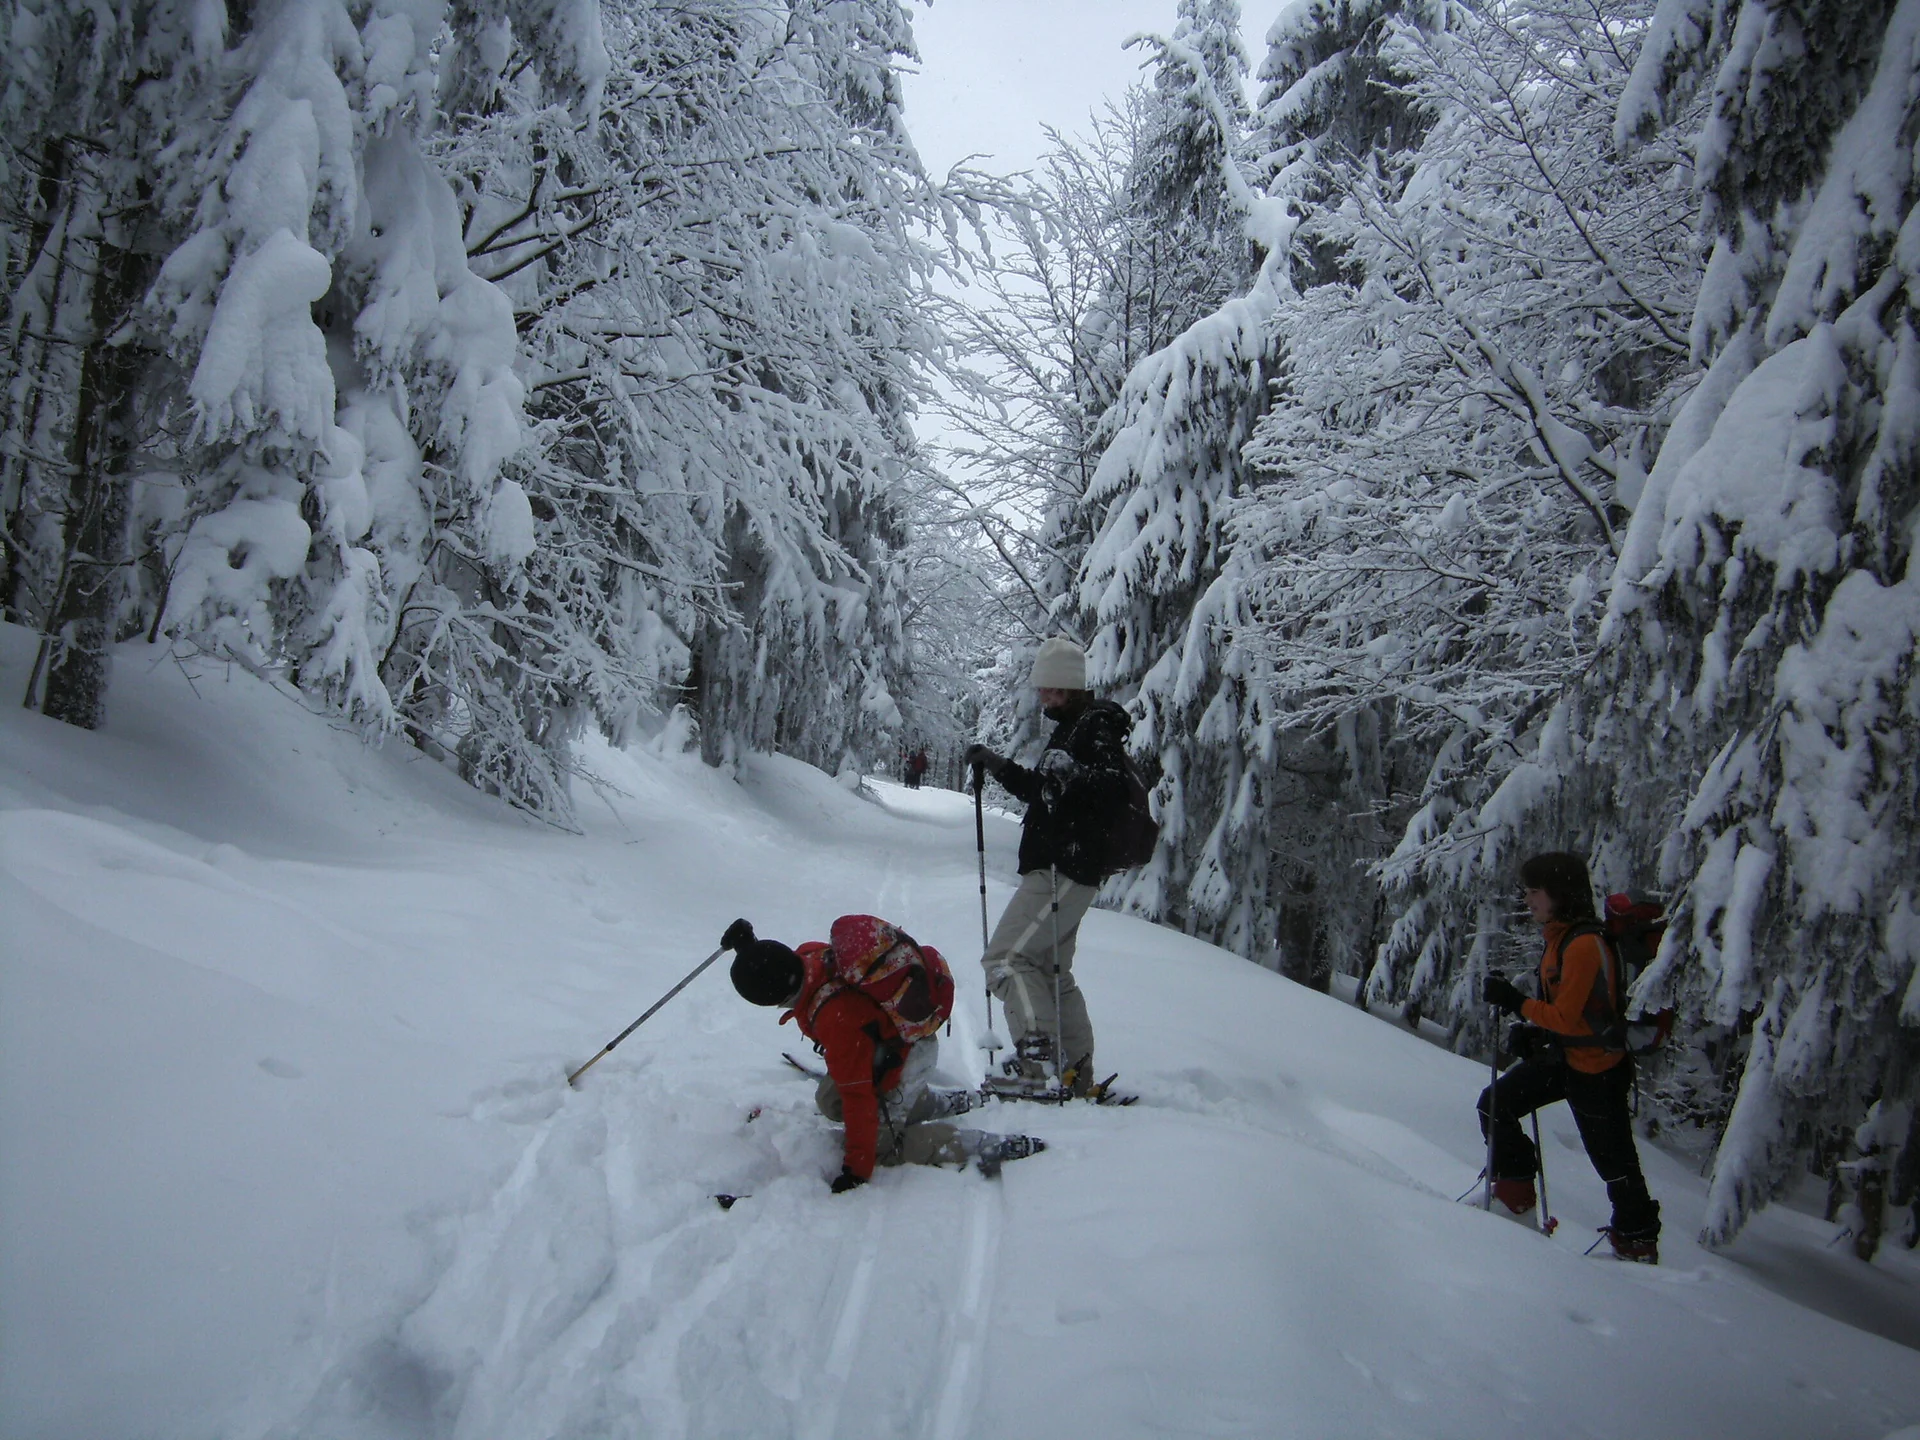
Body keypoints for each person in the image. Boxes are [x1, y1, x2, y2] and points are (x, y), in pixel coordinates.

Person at [722, 917, 1044, 1190]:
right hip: (880, 1045)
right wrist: (747, 946)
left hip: (909, 1052)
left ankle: (973, 1142)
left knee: (880, 1146)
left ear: (774, 999)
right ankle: (930, 1102)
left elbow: (858, 1096)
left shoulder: (837, 1020)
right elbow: (772, 965)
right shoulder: (808, 957)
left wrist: (857, 1170)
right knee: (829, 1101)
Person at [963, 637, 1131, 1094]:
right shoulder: (1071, 729)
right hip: (1066, 868)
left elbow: (1111, 788)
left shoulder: (1093, 727)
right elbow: (1045, 793)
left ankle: (1039, 1066)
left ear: (1074, 689)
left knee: (1005, 959)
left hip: (1064, 867)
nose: (1046, 698)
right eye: (1042, 690)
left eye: (1054, 691)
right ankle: (1076, 1074)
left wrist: (1075, 775)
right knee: (1050, 971)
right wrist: (996, 765)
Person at [1480, 852, 1663, 1262]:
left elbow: (1566, 1015)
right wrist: (1534, 1032)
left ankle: (1637, 1241)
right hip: (1569, 1059)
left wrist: (1517, 1003)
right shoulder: (1560, 939)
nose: (1528, 900)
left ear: (1559, 895)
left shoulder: (1582, 945)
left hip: (1598, 1070)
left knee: (1613, 1163)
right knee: (1496, 1104)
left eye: (1534, 892)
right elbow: (1570, 1013)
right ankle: (1514, 1198)